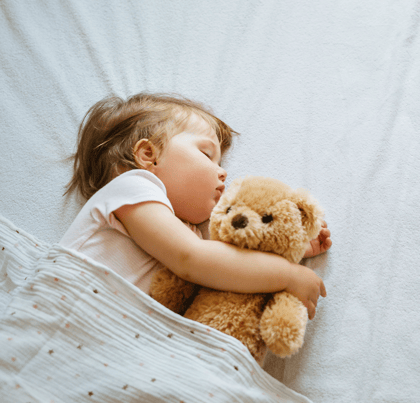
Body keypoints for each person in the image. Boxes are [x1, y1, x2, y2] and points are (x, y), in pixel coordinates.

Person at [61, 93, 331, 320]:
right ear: (148, 156)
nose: (222, 173)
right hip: (67, 316)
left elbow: (224, 264)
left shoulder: (189, 231)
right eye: (207, 155)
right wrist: (286, 274)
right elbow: (192, 259)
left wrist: (284, 248)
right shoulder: (133, 187)